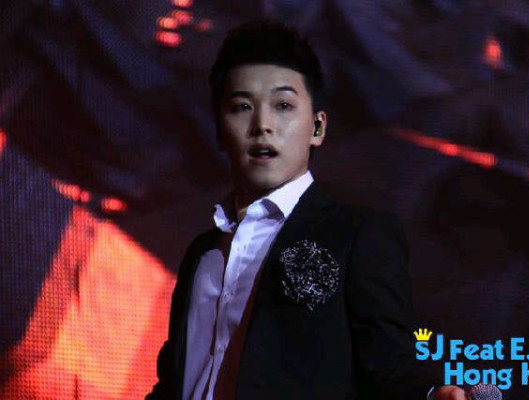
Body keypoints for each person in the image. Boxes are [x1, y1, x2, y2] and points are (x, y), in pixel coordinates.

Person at [147, 19, 467, 400]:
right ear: (219, 129)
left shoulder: (356, 237)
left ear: (317, 128)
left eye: (283, 106)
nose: (262, 125)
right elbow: (175, 382)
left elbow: (389, 366)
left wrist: (432, 395)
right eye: (242, 107)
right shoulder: (202, 254)